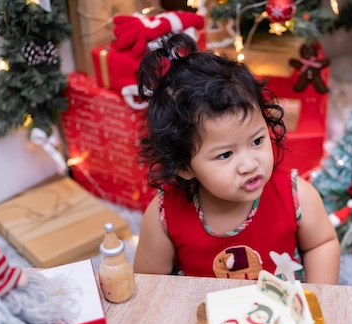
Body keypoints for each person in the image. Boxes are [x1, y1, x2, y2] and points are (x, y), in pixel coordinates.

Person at [133, 33, 340, 284]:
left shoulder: (296, 196)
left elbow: (322, 244)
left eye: (257, 141)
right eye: (225, 154)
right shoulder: (164, 216)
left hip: (280, 313)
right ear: (184, 166)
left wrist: (316, 297)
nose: (250, 164)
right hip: (207, 316)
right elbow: (150, 282)